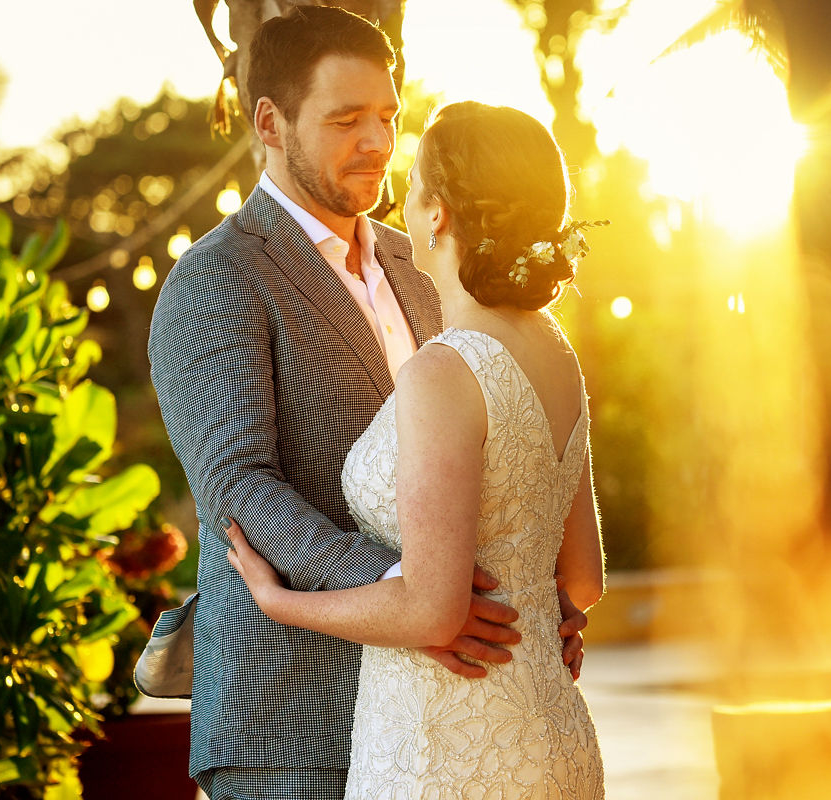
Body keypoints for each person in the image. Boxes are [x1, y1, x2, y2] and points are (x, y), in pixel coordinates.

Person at [147, 8, 587, 799]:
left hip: (445, 718)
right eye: (346, 120)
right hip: (293, 720)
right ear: (271, 123)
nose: (379, 142)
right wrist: (419, 590)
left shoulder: (423, 260)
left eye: (388, 116)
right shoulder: (217, 278)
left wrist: (527, 587)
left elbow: (484, 441)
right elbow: (239, 487)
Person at [225, 100, 608, 797]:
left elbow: (431, 612)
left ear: (439, 214)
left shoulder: (444, 372)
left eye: (415, 185)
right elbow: (583, 578)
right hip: (550, 729)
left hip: (448, 749)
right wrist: (539, 607)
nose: (400, 203)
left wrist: (279, 601)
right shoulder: (557, 353)